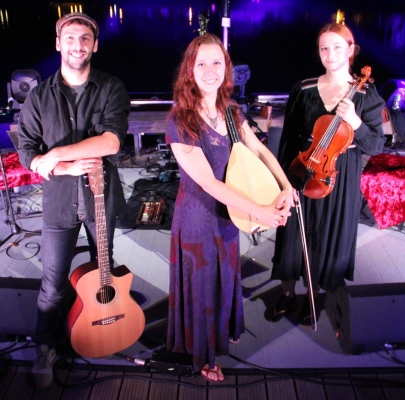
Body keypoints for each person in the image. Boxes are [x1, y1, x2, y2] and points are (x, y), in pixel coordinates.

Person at [165, 33, 294, 382]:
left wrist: (286, 186)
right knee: (204, 284)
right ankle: (204, 356)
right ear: (189, 69)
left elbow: (260, 150)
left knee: (227, 274)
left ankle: (223, 329)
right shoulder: (181, 120)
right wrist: (262, 211)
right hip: (198, 218)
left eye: (217, 62)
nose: (210, 70)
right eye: (201, 63)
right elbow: (208, 183)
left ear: (227, 68)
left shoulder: (232, 111)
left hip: (230, 213)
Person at [16, 13, 129, 388]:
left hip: (101, 196)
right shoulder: (38, 96)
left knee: (104, 273)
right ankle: (46, 348)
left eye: (85, 38)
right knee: (52, 283)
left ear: (95, 45)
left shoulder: (111, 87)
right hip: (59, 201)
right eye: (70, 38)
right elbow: (26, 150)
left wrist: (57, 153)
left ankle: (100, 327)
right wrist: (56, 166)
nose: (77, 45)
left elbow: (111, 141)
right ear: (58, 43)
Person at [269, 23, 385, 325]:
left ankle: (316, 294)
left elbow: (376, 144)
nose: (330, 54)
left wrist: (356, 122)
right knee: (293, 232)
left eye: (337, 47)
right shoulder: (304, 88)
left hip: (340, 172)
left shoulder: (366, 94)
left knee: (330, 232)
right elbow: (290, 137)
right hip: (303, 165)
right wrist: (283, 180)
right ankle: (287, 293)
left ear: (351, 50)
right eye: (324, 48)